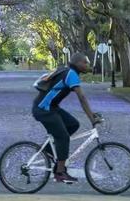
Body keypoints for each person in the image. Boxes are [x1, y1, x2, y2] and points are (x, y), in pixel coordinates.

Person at [32, 52, 101, 184]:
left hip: (51, 107)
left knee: (73, 124)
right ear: (78, 63)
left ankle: (48, 151)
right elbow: (82, 97)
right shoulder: (71, 74)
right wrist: (92, 118)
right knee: (62, 137)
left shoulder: (67, 70)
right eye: (85, 62)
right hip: (43, 109)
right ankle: (60, 172)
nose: (87, 65)